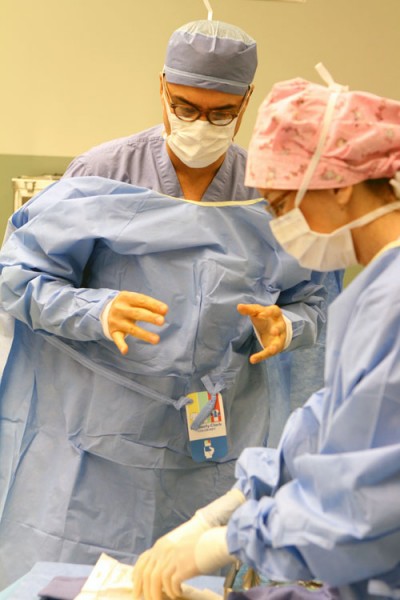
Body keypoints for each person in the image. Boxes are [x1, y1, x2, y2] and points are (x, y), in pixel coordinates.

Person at [131, 71, 400, 600]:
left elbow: (367, 508)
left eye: (280, 206)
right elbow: (325, 428)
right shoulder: (370, 296)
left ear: (341, 185)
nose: (280, 227)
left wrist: (224, 543)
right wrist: (220, 512)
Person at [63, 18, 342, 445]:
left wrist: (286, 325)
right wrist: (95, 311)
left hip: (225, 423)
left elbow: (317, 301)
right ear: (162, 87)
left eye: (221, 114)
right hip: (110, 427)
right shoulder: (100, 174)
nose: (200, 126)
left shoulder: (268, 191)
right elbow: (25, 282)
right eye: (185, 108)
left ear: (246, 101)